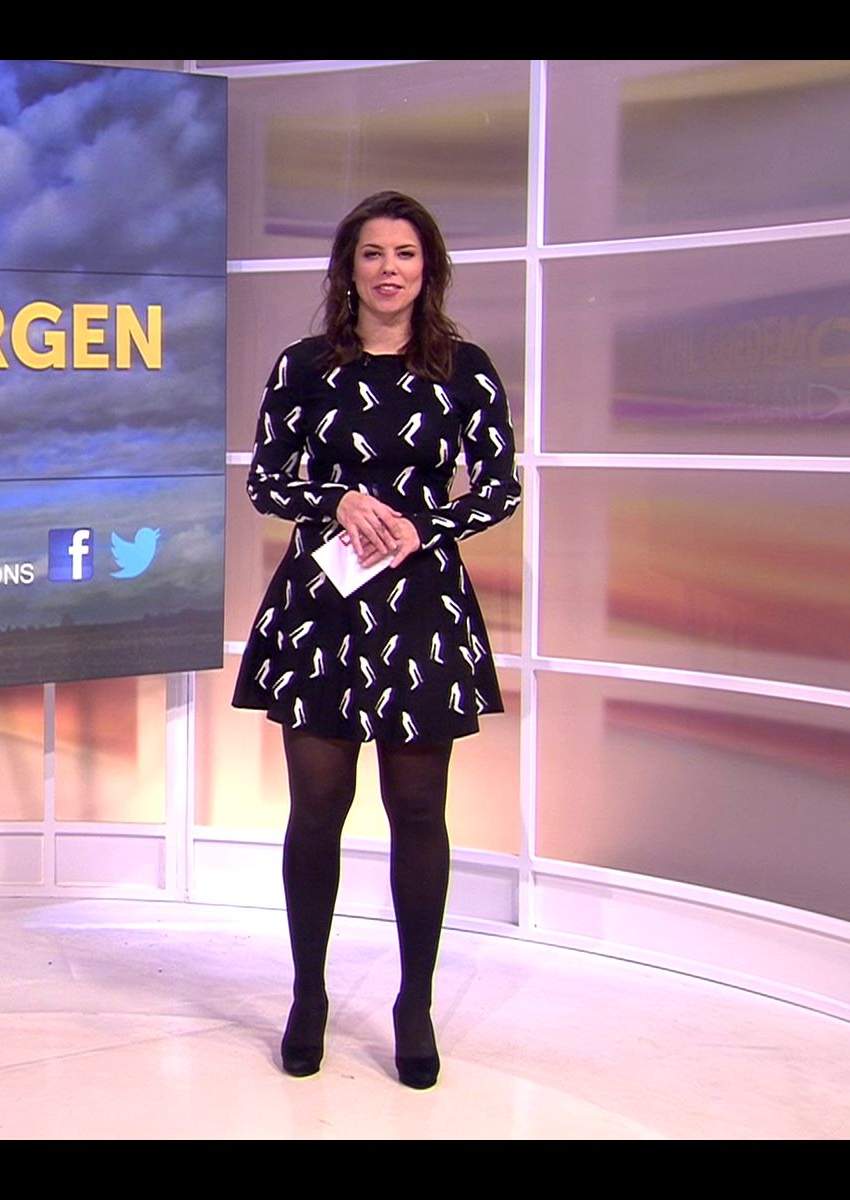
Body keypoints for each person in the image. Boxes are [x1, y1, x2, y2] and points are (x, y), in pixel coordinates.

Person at [231, 190, 521, 1089]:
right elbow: (267, 481)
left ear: (427, 269)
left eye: (405, 253)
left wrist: (424, 525)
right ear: (347, 269)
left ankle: (413, 1004)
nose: (388, 269)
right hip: (323, 604)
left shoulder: (464, 369)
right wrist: (337, 499)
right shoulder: (303, 366)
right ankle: (308, 997)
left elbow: (501, 488)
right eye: (371, 253)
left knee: (419, 812)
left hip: (422, 607)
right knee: (316, 811)